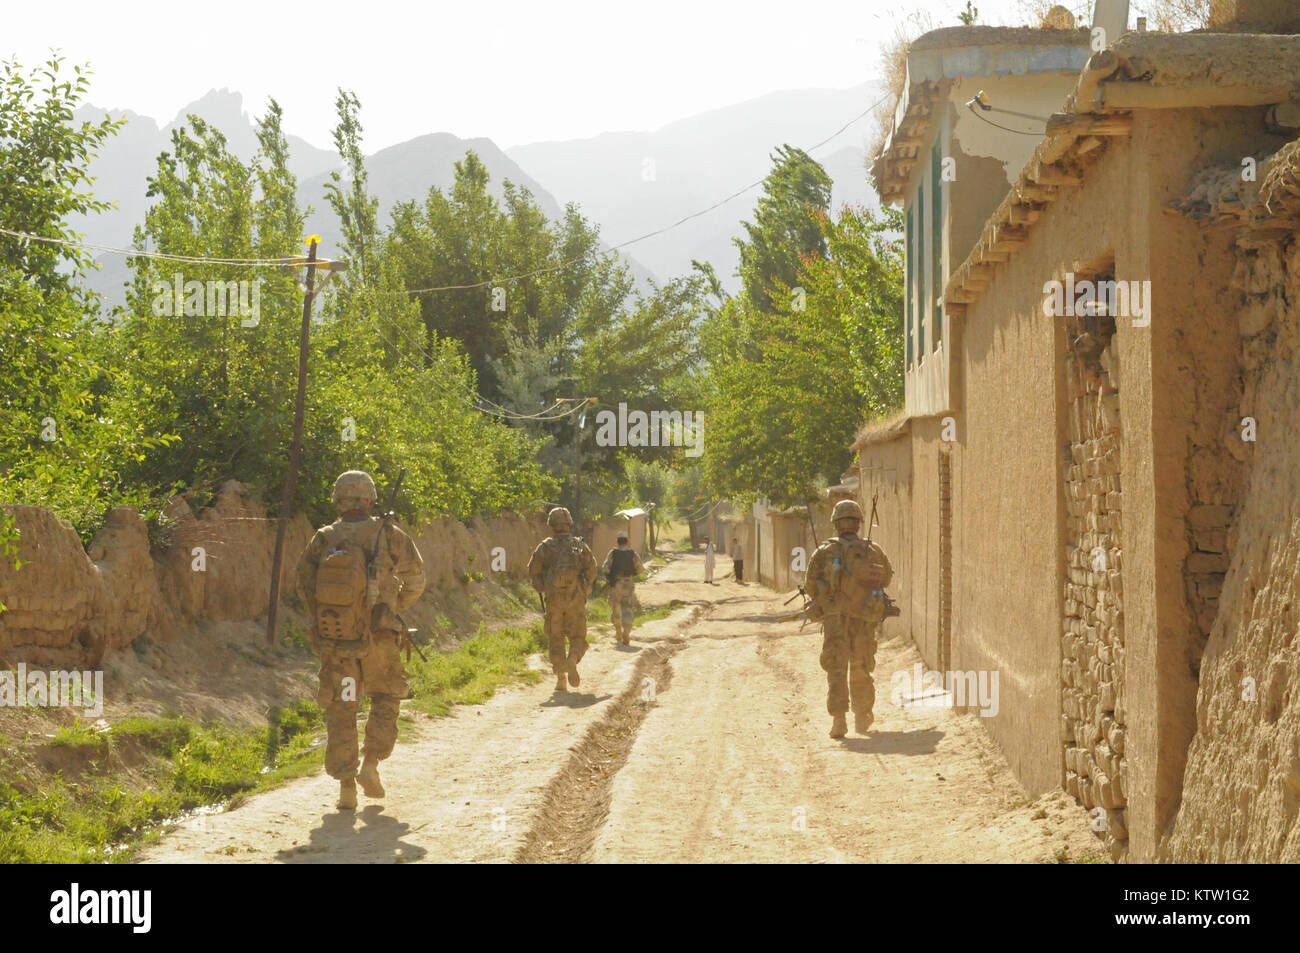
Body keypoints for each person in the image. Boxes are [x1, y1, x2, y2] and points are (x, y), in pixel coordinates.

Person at [296, 470, 426, 810]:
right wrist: (393, 607)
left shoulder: (324, 538)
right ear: (369, 498)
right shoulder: (390, 535)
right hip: (380, 640)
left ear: (338, 499)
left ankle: (345, 789)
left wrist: (326, 619)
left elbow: (304, 583)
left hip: (339, 642)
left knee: (343, 707)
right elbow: (416, 579)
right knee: (384, 696)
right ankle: (370, 765)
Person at [804, 499, 893, 739]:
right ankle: (862, 716)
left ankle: (839, 720)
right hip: (864, 618)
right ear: (857, 523)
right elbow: (886, 580)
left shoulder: (824, 551)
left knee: (837, 667)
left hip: (835, 619)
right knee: (861, 665)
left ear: (836, 523)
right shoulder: (873, 550)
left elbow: (810, 585)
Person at [528, 507, 597, 692]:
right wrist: (583, 587)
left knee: (556, 637)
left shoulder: (545, 547)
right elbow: (592, 570)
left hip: (554, 601)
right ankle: (573, 659)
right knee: (578, 636)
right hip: (576, 599)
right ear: (569, 524)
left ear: (551, 525)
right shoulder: (579, 545)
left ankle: (561, 679)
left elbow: (533, 572)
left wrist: (542, 587)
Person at [602, 531, 644, 645]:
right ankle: (626, 632)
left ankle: (618, 632)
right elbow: (640, 569)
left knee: (616, 608)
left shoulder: (613, 553)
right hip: (629, 583)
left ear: (617, 542)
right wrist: (632, 573)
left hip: (617, 584)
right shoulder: (633, 553)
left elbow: (605, 568)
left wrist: (610, 577)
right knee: (628, 607)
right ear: (627, 541)